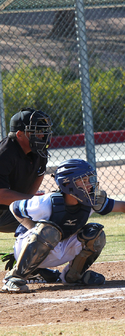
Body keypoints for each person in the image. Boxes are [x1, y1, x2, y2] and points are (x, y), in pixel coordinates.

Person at [2, 159, 125, 293]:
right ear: (67, 184)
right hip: (31, 247)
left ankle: (72, 276)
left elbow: (120, 206)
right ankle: (14, 277)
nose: (90, 185)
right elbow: (14, 207)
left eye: (90, 179)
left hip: (60, 246)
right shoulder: (47, 202)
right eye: (83, 181)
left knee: (96, 233)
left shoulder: (90, 201)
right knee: (49, 231)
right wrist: (33, 230)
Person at [0, 108, 61, 284]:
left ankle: (29, 264)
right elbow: (1, 195)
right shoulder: (5, 154)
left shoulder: (38, 152)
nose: (43, 135)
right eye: (36, 131)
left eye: (44, 131)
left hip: (10, 209)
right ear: (19, 134)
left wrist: (32, 203)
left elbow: (37, 177)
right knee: (47, 216)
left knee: (55, 213)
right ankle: (25, 265)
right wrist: (33, 202)